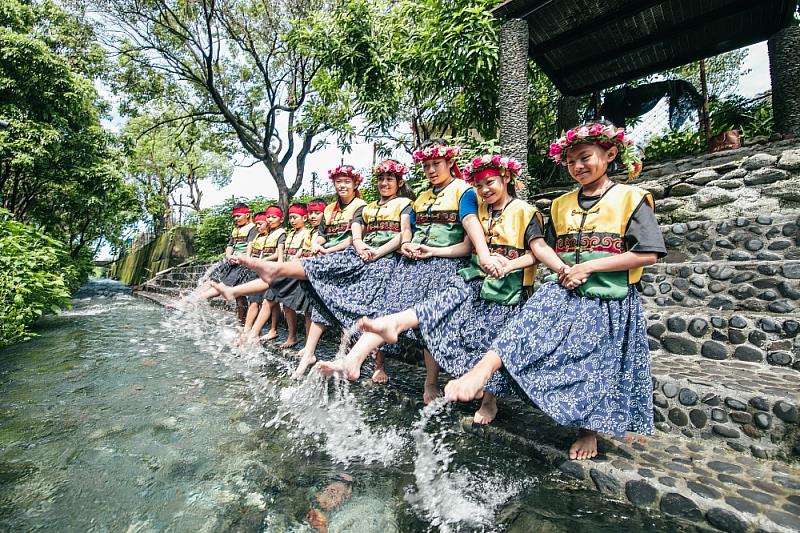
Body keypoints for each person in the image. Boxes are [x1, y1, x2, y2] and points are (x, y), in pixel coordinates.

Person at [445, 122, 666, 460]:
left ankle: (588, 431)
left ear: (610, 154)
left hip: (610, 296)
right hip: (565, 286)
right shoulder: (561, 204)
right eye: (571, 161)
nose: (578, 167)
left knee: (595, 360)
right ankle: (483, 370)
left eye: (585, 158)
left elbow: (648, 252)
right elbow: (544, 247)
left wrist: (588, 267)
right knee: (527, 320)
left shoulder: (631, 199)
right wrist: (563, 269)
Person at [346, 155, 559, 424]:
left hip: (510, 288)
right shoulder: (480, 210)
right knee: (441, 308)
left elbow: (537, 252)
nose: (485, 190)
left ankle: (490, 401)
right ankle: (393, 326)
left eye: (490, 183)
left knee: (493, 339)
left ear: (506, 178)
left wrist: (512, 265)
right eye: (480, 185)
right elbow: (469, 245)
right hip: (475, 278)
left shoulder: (525, 212)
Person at [315, 139, 502, 406]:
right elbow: (407, 235)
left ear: (450, 162)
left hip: (446, 265)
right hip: (414, 263)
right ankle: (353, 359)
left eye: (436, 163)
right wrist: (408, 246)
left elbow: (468, 234)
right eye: (426, 165)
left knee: (429, 319)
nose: (431, 170)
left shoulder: (464, 191)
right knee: (387, 310)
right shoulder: (422, 198)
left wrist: (475, 254)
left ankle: (431, 381)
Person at [211, 166, 367, 376]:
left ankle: (254, 287)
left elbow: (354, 237)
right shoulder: (330, 210)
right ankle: (242, 298)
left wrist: (326, 249)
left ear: (355, 184)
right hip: (322, 257)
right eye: (338, 181)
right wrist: (318, 245)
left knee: (287, 280)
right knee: (284, 285)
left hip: (343, 258)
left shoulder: (361, 207)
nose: (342, 185)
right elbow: (321, 234)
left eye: (347, 181)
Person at [191, 203, 257, 324]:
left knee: (237, 294)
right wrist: (228, 256)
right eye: (235, 216)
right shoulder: (235, 229)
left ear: (247, 215)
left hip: (243, 264)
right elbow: (230, 245)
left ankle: (196, 299)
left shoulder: (253, 228)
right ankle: (191, 298)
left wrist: (246, 259)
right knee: (212, 279)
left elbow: (250, 244)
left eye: (239, 216)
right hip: (232, 261)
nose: (236, 218)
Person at [264, 203, 312, 349]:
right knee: (286, 304)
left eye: (295, 217)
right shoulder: (290, 234)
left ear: (304, 217)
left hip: (299, 271)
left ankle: (308, 344)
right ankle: (292, 336)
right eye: (290, 217)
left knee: (307, 309)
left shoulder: (308, 233)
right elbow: (284, 254)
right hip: (287, 271)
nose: (292, 220)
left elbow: (303, 251)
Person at [240, 206, 286, 344]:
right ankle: (252, 330)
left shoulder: (281, 233)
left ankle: (254, 330)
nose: (270, 220)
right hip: (261, 269)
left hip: (271, 271)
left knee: (267, 301)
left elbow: (279, 255)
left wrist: (259, 262)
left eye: (273, 217)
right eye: (268, 217)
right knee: (259, 300)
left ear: (281, 219)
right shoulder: (266, 234)